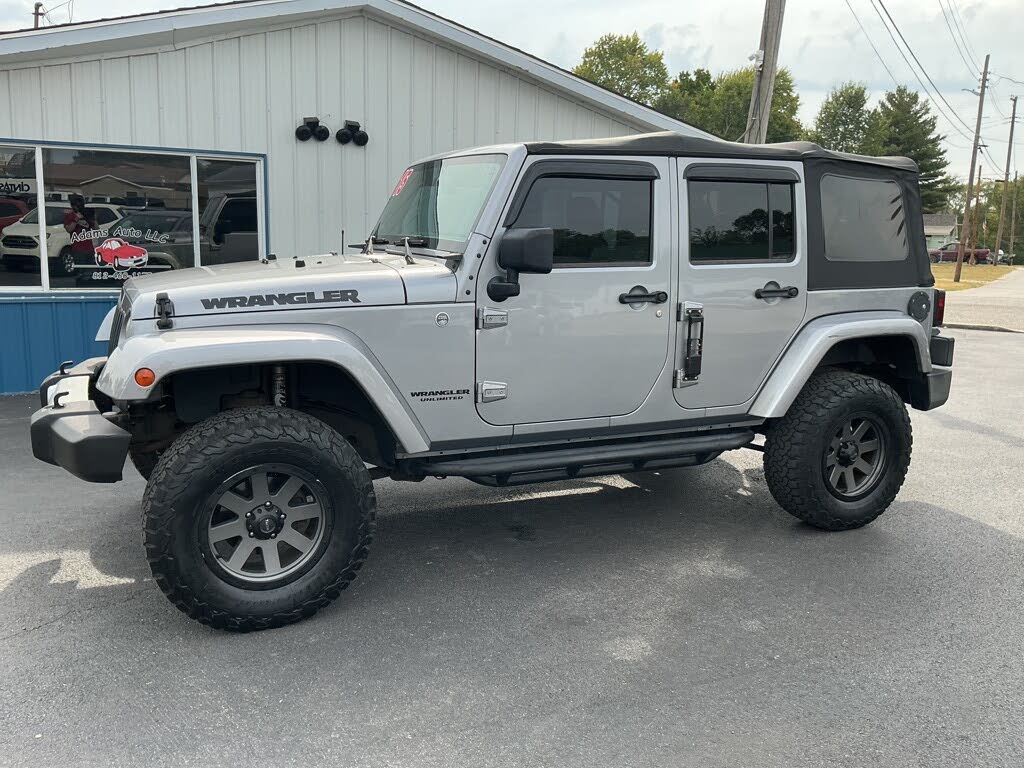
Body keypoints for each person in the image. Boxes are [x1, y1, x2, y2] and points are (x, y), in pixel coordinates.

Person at [63, 194, 97, 271]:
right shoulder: (70, 216)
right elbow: (69, 229)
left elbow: (96, 228)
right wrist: (76, 219)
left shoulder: (86, 214)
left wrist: (93, 218)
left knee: (90, 271)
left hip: (89, 247)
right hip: (78, 248)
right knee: (80, 271)